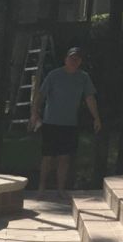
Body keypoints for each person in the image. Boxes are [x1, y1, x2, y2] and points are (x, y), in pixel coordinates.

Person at [31, 47, 102, 195]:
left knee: (64, 158)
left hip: (69, 124)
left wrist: (96, 118)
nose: (74, 61)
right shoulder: (54, 75)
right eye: (71, 58)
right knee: (47, 157)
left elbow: (89, 98)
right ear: (66, 59)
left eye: (77, 59)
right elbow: (41, 95)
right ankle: (41, 188)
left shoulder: (83, 77)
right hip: (51, 122)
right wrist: (35, 113)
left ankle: (61, 189)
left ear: (80, 61)